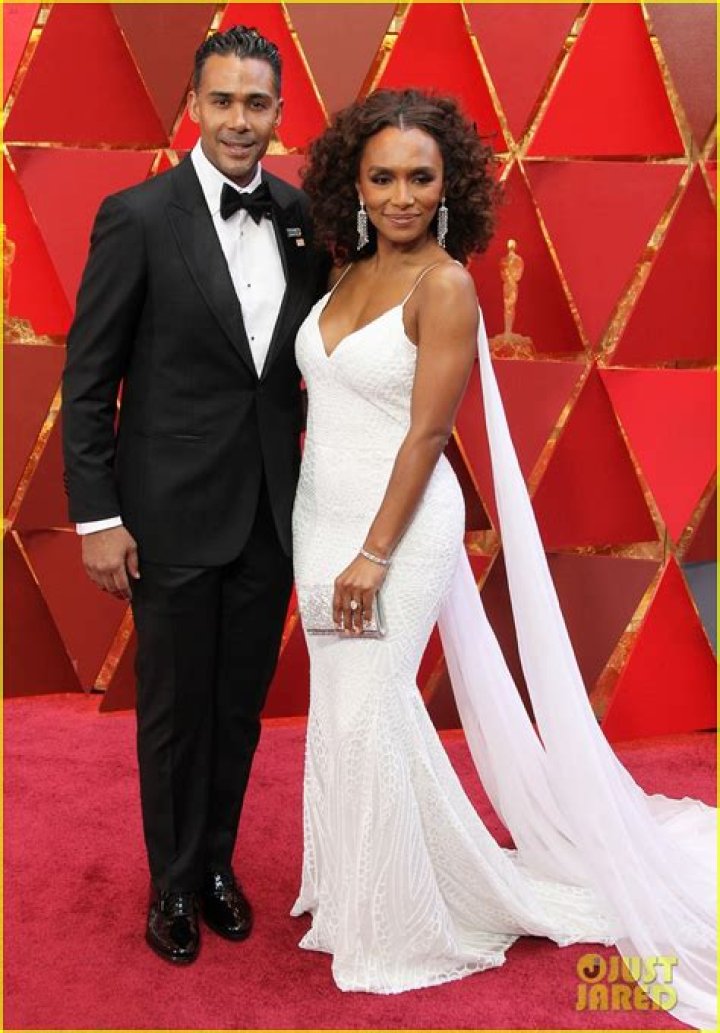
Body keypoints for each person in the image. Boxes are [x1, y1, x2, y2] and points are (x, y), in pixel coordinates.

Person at [290, 89, 716, 1029]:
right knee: (343, 710)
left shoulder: (444, 285)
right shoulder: (349, 268)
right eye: (382, 178)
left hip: (394, 531)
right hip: (320, 519)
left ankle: (402, 920)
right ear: (354, 185)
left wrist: (373, 554)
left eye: (421, 178)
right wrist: (335, 540)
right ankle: (355, 888)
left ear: (450, 186)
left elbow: (426, 432)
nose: (402, 196)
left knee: (370, 711)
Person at [62, 25, 327, 965]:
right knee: (175, 709)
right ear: (193, 106)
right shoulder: (136, 216)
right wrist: (99, 517)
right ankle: (171, 883)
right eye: (222, 100)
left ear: (280, 111)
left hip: (270, 512)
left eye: (256, 102)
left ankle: (216, 865)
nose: (239, 120)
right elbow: (88, 380)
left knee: (238, 706)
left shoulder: (302, 219)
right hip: (166, 514)